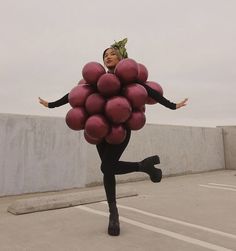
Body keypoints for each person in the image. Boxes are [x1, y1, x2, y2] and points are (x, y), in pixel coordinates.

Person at [39, 38, 188, 236]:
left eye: (112, 54)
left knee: (106, 167)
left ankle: (134, 181)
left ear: (121, 58)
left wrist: (173, 105)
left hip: (120, 128)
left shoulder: (129, 81)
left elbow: (149, 91)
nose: (108, 57)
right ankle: (115, 212)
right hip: (98, 127)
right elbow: (74, 94)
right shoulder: (97, 80)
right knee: (108, 171)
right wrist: (51, 105)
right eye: (105, 55)